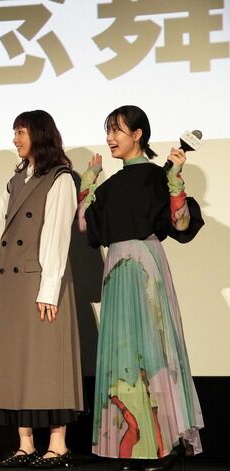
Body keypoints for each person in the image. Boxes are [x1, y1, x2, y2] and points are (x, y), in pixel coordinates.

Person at [78, 105, 204, 471]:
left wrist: (176, 180)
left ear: (138, 135)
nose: (110, 138)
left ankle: (169, 443)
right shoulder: (110, 186)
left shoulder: (156, 177)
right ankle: (139, 446)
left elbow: (181, 223)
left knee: (155, 353)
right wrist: (88, 182)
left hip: (145, 268)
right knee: (124, 355)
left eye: (117, 130)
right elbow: (87, 227)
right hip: (116, 269)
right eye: (108, 131)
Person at [0, 110, 84, 469]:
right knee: (16, 364)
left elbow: (57, 235)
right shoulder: (14, 181)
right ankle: (25, 444)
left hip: (42, 281)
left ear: (40, 135)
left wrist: (49, 289)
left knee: (48, 362)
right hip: (12, 284)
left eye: (21, 132)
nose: (15, 139)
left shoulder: (60, 177)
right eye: (14, 132)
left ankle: (58, 444)